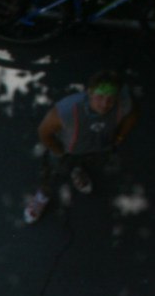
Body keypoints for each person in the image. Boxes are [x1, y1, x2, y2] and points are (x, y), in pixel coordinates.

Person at [23, 69, 139, 224]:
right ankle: (42, 196)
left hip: (98, 149)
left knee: (88, 163)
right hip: (67, 152)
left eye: (111, 98)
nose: (105, 104)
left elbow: (132, 115)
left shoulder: (122, 104)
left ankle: (78, 171)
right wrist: (59, 151)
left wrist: (119, 137)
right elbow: (44, 132)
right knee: (51, 175)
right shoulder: (68, 109)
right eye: (100, 97)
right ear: (89, 92)